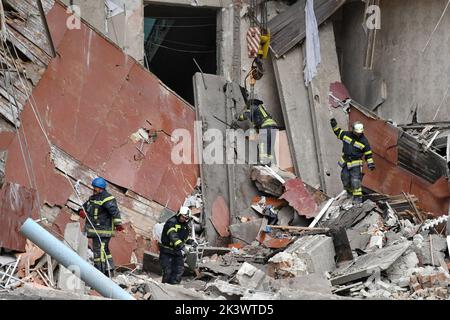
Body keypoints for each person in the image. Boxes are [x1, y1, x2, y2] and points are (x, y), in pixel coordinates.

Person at [78, 177, 124, 277]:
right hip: (95, 230)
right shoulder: (93, 198)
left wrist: (118, 224)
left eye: (95, 188)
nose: (93, 189)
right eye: (93, 187)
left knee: (99, 252)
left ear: (101, 188)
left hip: (104, 231)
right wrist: (81, 211)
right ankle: (109, 270)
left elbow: (114, 212)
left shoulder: (108, 199)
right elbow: (85, 206)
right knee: (104, 250)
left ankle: (100, 274)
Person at [330, 118, 375, 205]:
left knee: (355, 181)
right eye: (357, 132)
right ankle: (350, 194)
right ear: (353, 130)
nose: (358, 134)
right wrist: (334, 124)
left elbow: (368, 154)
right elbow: (337, 132)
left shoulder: (364, 142)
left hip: (355, 164)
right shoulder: (346, 135)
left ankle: (357, 200)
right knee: (345, 178)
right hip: (346, 162)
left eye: (360, 132)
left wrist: (370, 163)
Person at [235, 99, 278, 166]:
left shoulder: (253, 107)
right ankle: (269, 162)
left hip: (266, 126)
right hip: (273, 126)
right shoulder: (262, 109)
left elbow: (246, 115)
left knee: (262, 143)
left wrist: (238, 117)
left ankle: (263, 162)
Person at [159, 207, 194, 284]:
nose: (184, 219)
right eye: (183, 217)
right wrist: (183, 247)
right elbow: (173, 237)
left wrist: (191, 242)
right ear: (179, 214)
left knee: (179, 269)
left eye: (186, 218)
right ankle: (165, 287)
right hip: (167, 251)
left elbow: (184, 237)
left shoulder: (185, 225)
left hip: (176, 251)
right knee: (168, 271)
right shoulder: (171, 223)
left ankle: (173, 287)